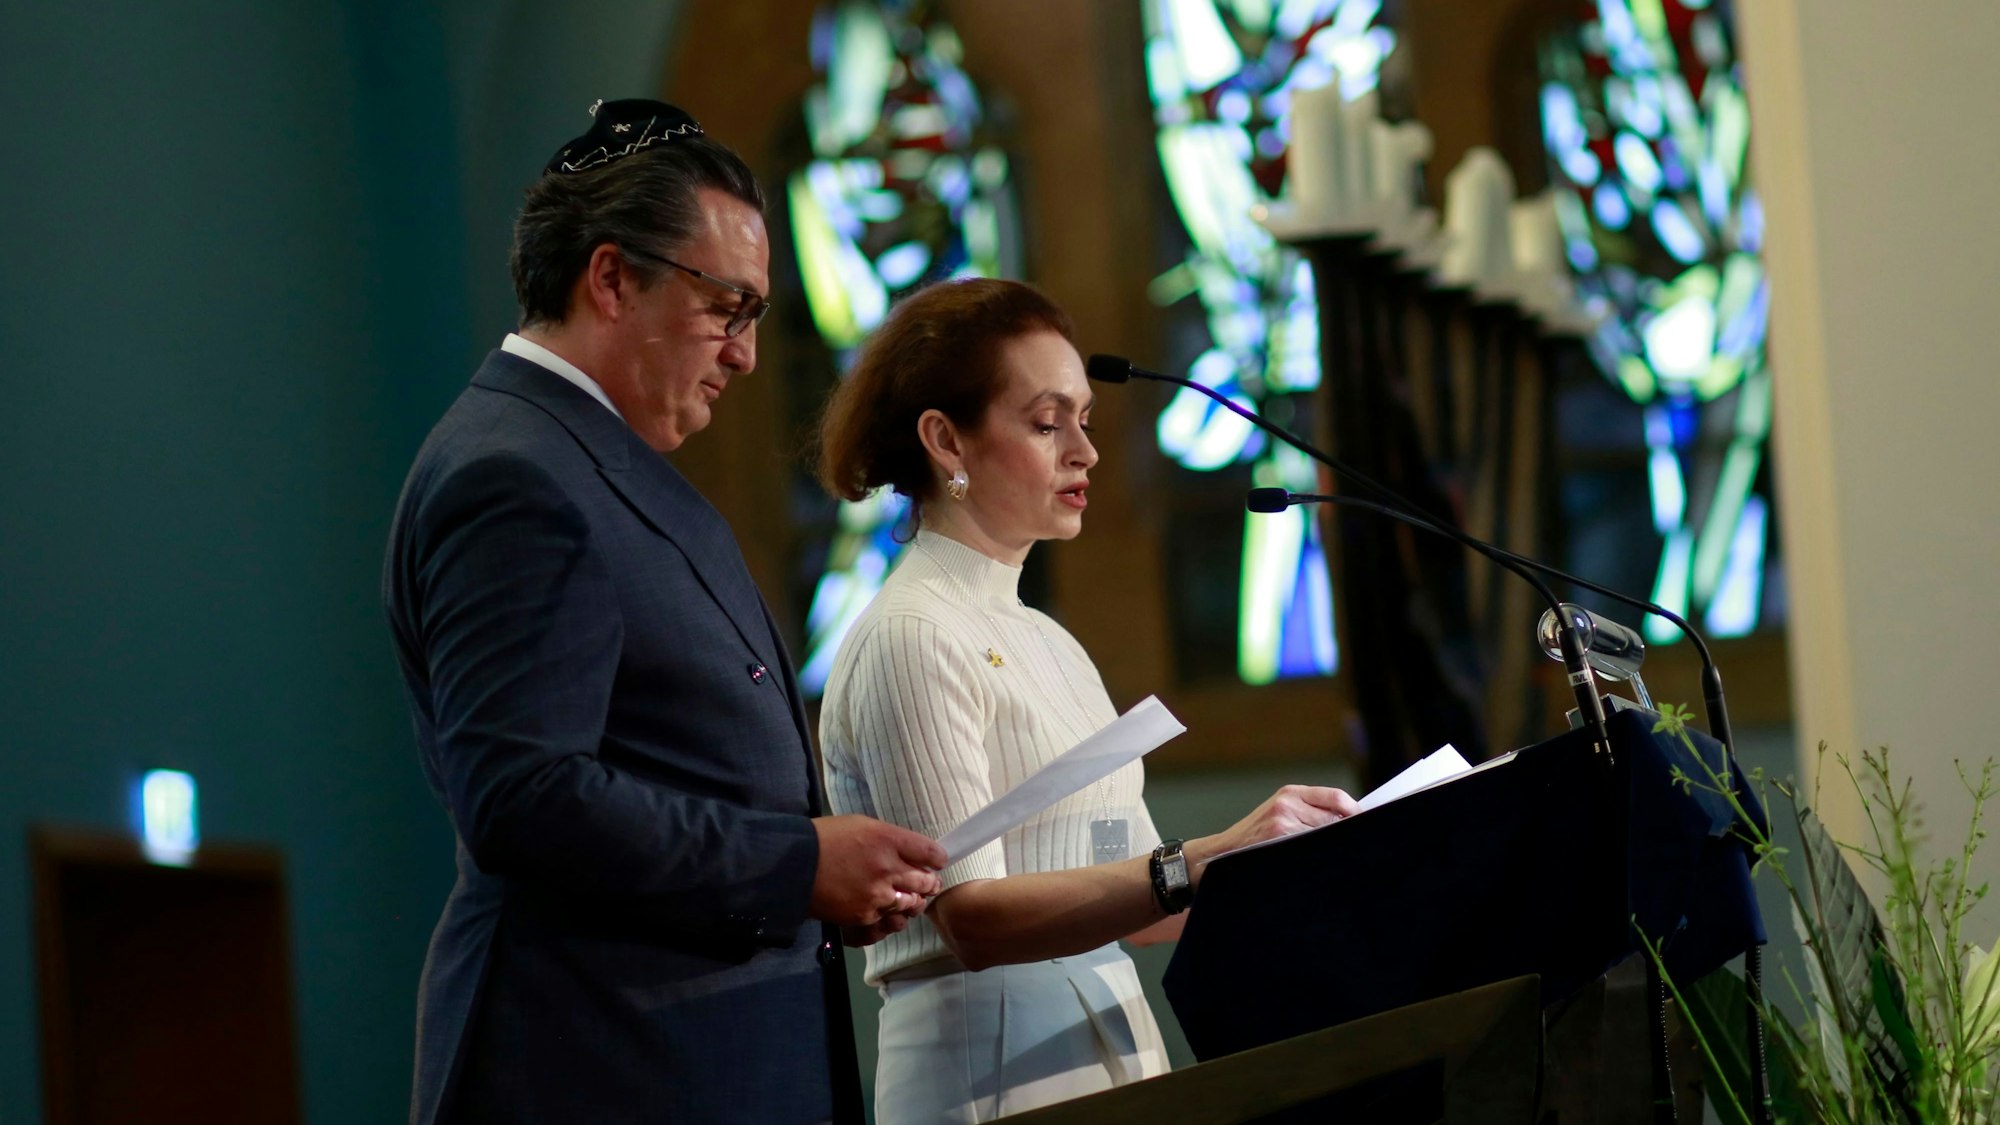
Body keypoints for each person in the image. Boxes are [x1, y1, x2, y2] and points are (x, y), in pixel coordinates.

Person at [382, 99, 944, 1125]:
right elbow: (524, 795)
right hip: (606, 1062)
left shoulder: (589, 460)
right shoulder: (515, 475)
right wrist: (798, 865)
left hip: (697, 1054)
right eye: (728, 307)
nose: (744, 354)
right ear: (609, 277)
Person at [814, 278, 1359, 1124]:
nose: (1086, 452)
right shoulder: (910, 632)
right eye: (1046, 422)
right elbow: (972, 918)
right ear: (945, 440)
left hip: (1108, 1032)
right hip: (986, 1058)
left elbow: (1146, 908)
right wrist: (1196, 861)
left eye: (1086, 421)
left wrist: (1292, 860)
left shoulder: (1051, 640)